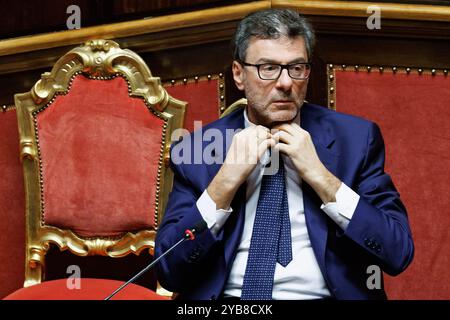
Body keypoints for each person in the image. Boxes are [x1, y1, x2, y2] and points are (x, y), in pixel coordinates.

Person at [154, 8, 414, 300]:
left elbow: (397, 252)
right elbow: (168, 269)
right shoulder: (197, 150)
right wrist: (223, 184)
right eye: (268, 68)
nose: (286, 83)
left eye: (296, 68)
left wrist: (323, 179)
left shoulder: (355, 140)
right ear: (239, 74)